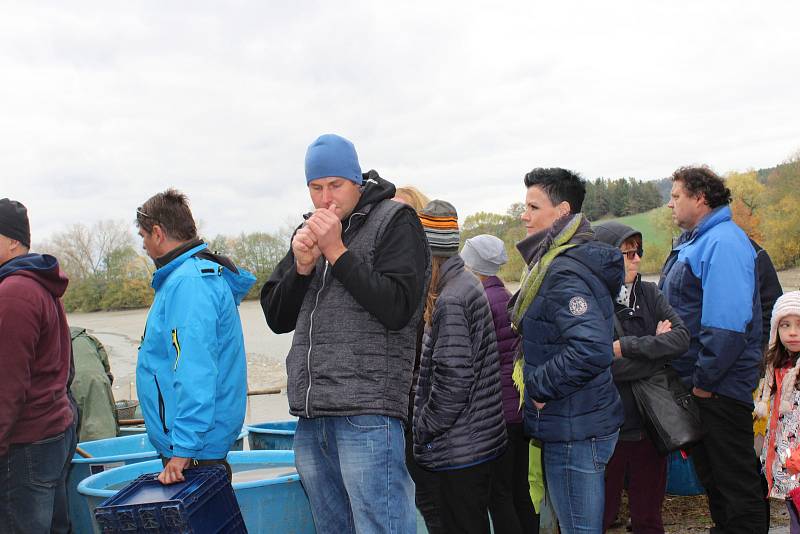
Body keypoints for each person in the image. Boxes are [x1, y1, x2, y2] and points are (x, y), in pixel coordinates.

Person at [261, 134, 430, 534]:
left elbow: (398, 308)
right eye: (316, 188)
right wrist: (301, 268)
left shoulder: (395, 221)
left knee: (382, 526)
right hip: (311, 413)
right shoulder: (308, 230)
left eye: (335, 185)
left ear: (357, 180)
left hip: (367, 412)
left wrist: (336, 252)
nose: (325, 199)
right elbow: (275, 317)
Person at [510, 168, 624, 533]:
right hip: (574, 420)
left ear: (562, 211)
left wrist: (539, 387)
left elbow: (591, 348)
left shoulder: (562, 272)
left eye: (532, 206)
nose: (523, 215)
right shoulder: (551, 264)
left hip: (576, 426)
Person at [659, 166, 767, 533]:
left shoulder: (723, 242)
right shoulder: (697, 240)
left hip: (718, 388)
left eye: (676, 196)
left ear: (700, 197)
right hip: (702, 386)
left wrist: (704, 382)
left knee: (737, 485)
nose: (670, 204)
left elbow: (728, 325)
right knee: (718, 484)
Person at [135, 189, 255, 484]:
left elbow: (194, 369)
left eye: (143, 237)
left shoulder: (188, 284)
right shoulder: (187, 278)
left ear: (158, 233)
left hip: (193, 453)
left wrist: (184, 448)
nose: (145, 247)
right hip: (195, 447)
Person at [413, 202, 507, 534]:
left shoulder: (451, 299)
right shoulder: (467, 284)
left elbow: (453, 381)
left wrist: (421, 428)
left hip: (459, 450)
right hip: (477, 441)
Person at [593, 221, 690, 534]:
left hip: (651, 423)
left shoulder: (649, 293)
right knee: (599, 516)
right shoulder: (594, 302)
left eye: (639, 252)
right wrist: (656, 353)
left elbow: (681, 338)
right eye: (627, 253)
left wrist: (627, 346)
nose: (636, 259)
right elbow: (601, 364)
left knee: (648, 518)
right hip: (608, 426)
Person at [0, 198, 76, 533]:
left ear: (13, 240)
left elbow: (7, 383)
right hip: (53, 430)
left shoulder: (14, 291)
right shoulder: (38, 284)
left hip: (27, 441)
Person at [461, 234, 539, 534]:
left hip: (496, 411)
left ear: (473, 265)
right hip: (519, 407)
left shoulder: (479, 301)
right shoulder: (507, 297)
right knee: (520, 488)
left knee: (499, 494)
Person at [392, 186, 445, 533]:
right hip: (398, 415)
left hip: (429, 422)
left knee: (435, 506)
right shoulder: (389, 281)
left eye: (405, 215)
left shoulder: (443, 288)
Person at [756, 291, 800, 531]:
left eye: (799, 325)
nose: (792, 332)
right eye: (785, 325)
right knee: (794, 515)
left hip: (797, 461)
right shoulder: (778, 368)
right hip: (786, 464)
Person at [70, 326, 118, 442]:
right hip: (100, 381)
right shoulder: (89, 339)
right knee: (105, 426)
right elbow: (107, 370)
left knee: (80, 429)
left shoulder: (56, 341)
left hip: (72, 383)